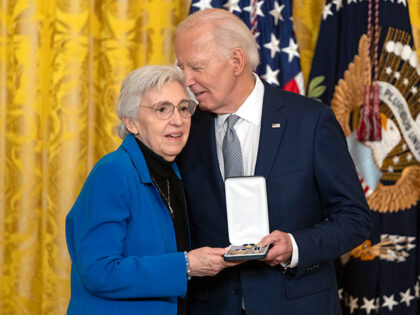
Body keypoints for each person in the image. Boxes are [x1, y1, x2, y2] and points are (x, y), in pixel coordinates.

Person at [175, 9, 372, 315]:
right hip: (212, 305)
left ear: (236, 61)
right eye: (182, 68)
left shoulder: (310, 121)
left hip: (297, 304)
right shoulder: (184, 130)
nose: (187, 81)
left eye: (197, 67)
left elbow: (355, 218)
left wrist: (295, 245)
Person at [65, 65, 238, 315]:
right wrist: (187, 265)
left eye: (183, 108)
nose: (177, 120)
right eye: (162, 109)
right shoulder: (112, 173)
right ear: (132, 122)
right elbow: (98, 271)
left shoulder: (174, 171)